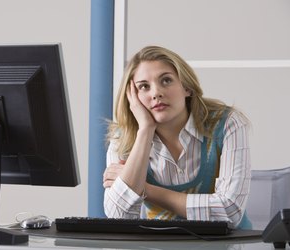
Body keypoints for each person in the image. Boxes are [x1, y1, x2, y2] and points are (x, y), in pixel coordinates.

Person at [103, 45, 251, 229]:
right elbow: (119, 217)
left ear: (187, 87)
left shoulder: (227, 124)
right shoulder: (124, 139)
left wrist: (145, 189)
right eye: (144, 86)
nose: (156, 93)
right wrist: (145, 130)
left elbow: (230, 213)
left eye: (166, 80)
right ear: (132, 97)